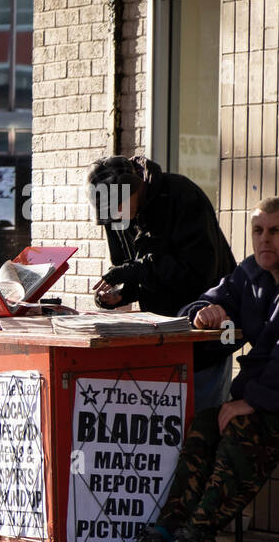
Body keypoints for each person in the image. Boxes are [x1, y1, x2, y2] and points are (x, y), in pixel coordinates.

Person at [109, 198, 279, 542]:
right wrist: (204, 310)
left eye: (275, 231)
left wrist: (248, 401)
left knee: (239, 428)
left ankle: (198, 541)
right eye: (258, 231)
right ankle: (167, 531)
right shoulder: (252, 274)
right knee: (204, 424)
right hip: (262, 396)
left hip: (270, 399)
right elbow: (209, 298)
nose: (264, 239)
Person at [86, 155, 236, 407]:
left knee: (203, 425)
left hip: (204, 331)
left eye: (118, 208)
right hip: (161, 337)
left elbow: (196, 274)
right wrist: (121, 294)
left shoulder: (181, 196)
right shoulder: (118, 216)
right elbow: (130, 269)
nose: (117, 219)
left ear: (135, 188)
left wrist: (134, 272)